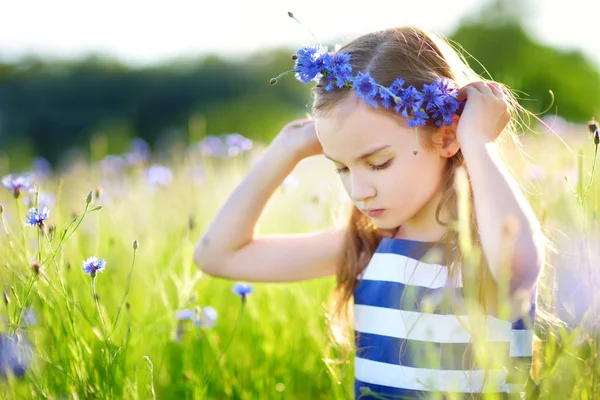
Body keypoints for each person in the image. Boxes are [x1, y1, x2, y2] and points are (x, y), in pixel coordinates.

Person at [193, 26, 545, 399]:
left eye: (378, 163)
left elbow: (515, 267)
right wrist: (287, 148)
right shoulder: (368, 248)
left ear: (446, 136)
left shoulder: (485, 247)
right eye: (341, 168)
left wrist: (477, 140)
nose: (359, 191)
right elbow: (217, 255)